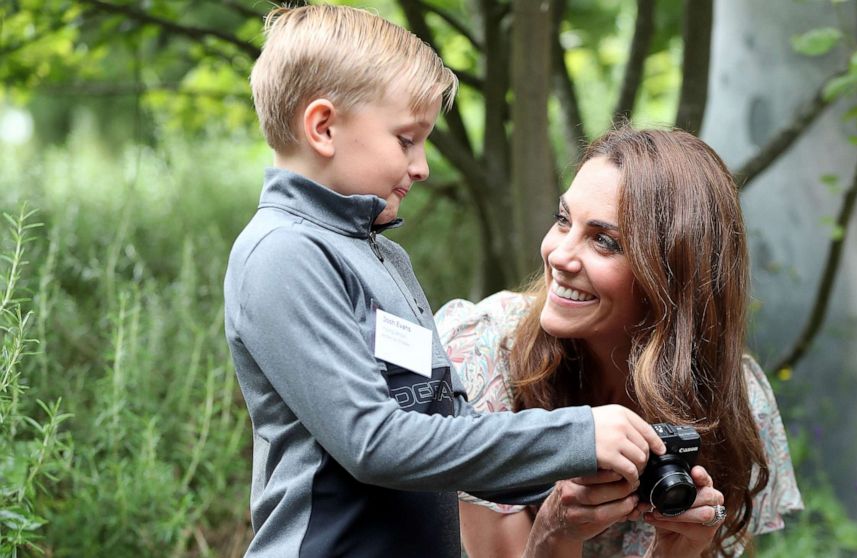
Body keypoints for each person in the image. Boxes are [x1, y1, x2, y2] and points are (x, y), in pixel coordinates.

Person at [223, 6, 666, 558]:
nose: (423, 166)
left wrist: (585, 471)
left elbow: (448, 428)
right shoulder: (283, 253)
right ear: (323, 127)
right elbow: (374, 443)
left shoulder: (385, 257)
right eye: (407, 139)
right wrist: (574, 436)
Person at [437, 127, 804, 557]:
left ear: (670, 278)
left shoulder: (731, 397)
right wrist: (557, 531)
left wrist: (676, 553)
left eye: (603, 241)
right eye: (563, 220)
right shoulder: (483, 352)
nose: (557, 254)